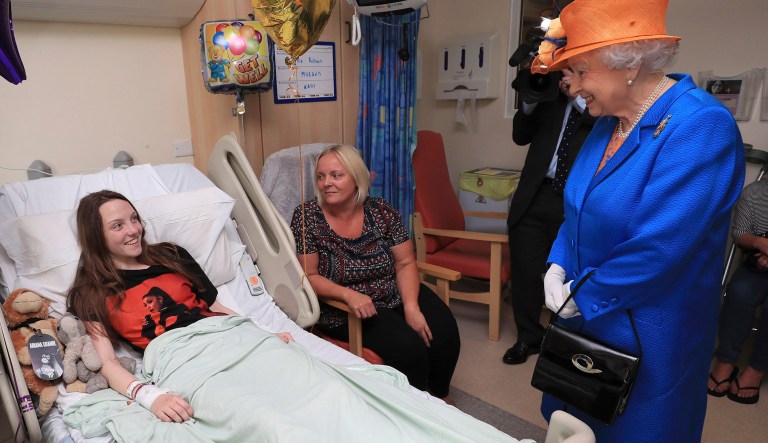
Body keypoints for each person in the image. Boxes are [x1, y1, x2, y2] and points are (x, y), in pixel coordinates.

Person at [529, 0, 745, 441]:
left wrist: (581, 294)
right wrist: (557, 264)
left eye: (581, 72)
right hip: (583, 318)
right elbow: (577, 209)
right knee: (571, 427)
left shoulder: (701, 126)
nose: (572, 88)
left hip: (649, 334)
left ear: (627, 63)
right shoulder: (608, 121)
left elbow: (660, 246)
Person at [66, 190, 293, 423]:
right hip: (182, 357)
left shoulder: (171, 255)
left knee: (298, 380)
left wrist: (262, 334)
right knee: (254, 413)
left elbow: (216, 307)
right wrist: (149, 397)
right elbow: (107, 361)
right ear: (96, 237)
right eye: (117, 226)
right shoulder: (91, 291)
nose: (133, 229)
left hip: (228, 335)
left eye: (134, 218)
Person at [290, 144, 461, 402]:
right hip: (344, 306)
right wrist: (348, 295)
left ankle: (439, 398)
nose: (326, 183)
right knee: (409, 349)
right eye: (321, 177)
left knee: (444, 330)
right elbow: (309, 276)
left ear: (357, 178)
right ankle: (413, 408)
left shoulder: (381, 210)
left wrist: (411, 306)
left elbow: (404, 263)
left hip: (393, 290)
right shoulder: (307, 217)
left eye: (336, 175)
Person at [503, 68, 595, 365]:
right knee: (526, 272)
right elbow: (520, 136)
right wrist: (529, 99)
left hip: (575, 199)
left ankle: (562, 340)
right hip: (535, 194)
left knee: (569, 273)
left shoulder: (596, 101)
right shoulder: (548, 97)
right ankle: (527, 336)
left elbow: (601, 127)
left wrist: (578, 96)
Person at [707, 178, 768, 404]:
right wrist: (761, 246)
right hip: (756, 263)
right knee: (739, 293)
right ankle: (725, 361)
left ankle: (757, 368)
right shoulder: (754, 193)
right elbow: (740, 232)